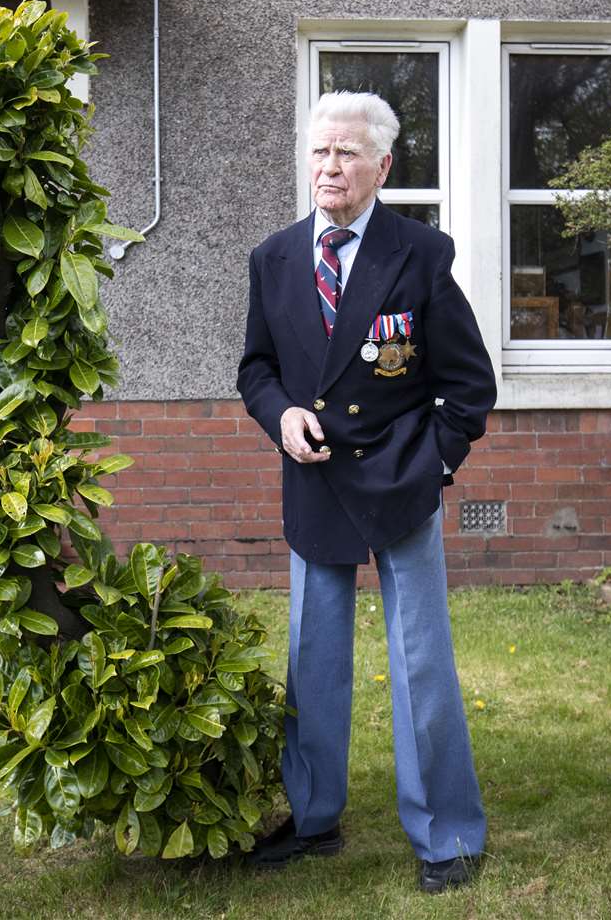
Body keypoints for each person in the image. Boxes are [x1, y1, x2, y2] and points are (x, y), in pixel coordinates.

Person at [236, 90, 498, 893]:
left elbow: (467, 384)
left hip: (398, 484)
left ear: (382, 165)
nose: (329, 166)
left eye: (346, 153)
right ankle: (312, 817)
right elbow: (256, 369)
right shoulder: (275, 257)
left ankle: (446, 835)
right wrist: (279, 418)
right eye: (319, 151)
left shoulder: (420, 252)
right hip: (312, 484)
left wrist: (434, 463)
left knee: (421, 663)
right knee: (312, 660)